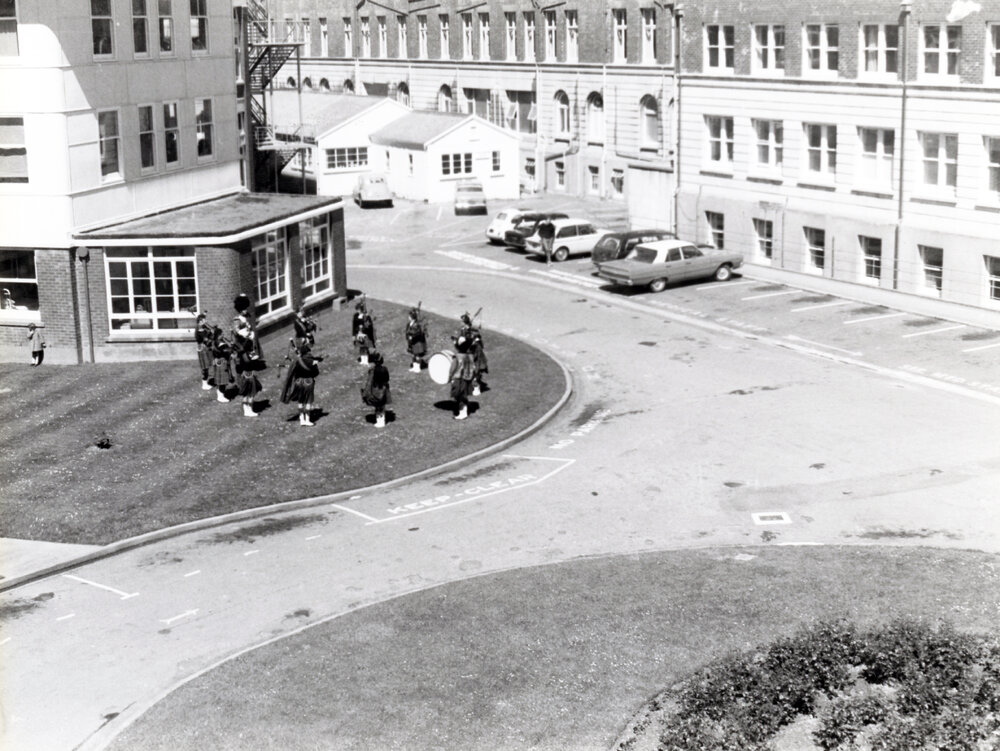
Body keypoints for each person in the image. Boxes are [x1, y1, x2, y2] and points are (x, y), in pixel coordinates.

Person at [280, 341, 320, 427]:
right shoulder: (311, 361)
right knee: (308, 401)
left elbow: (292, 371)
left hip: (298, 382)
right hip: (308, 382)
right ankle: (307, 420)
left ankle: (302, 419)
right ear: (307, 352)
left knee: (301, 401)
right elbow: (316, 373)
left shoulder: (296, 361)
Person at [447, 334, 477, 420]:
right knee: (464, 395)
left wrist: (450, 377)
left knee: (459, 396)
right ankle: (464, 410)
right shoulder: (470, 356)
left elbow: (452, 369)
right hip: (468, 378)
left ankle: (462, 413)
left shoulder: (457, 357)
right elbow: (474, 368)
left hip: (459, 379)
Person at [459, 312, 489, 396]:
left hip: (475, 352)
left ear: (465, 322)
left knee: (476, 370)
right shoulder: (463, 330)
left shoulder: (473, 332)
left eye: (462, 321)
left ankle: (477, 387)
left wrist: (472, 340)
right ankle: (469, 385)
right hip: (467, 352)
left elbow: (478, 341)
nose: (460, 323)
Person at [361, 350, 391, 428]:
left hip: (376, 390)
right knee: (382, 406)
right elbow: (387, 379)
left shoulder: (372, 371)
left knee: (378, 407)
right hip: (384, 390)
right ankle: (383, 421)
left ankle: (379, 422)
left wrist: (365, 393)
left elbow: (369, 382)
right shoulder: (385, 369)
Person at [211, 327, 232, 402]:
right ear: (218, 335)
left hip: (217, 362)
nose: (223, 334)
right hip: (222, 362)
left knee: (219, 380)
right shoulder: (221, 344)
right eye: (221, 334)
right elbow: (228, 351)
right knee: (222, 381)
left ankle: (219, 394)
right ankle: (221, 396)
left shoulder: (215, 342)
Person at [194, 313, 214, 390]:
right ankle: (204, 384)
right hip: (203, 348)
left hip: (203, 348)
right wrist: (211, 334)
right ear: (201, 321)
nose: (206, 321)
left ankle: (205, 382)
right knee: (205, 367)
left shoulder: (201, 327)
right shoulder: (200, 329)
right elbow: (206, 340)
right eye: (204, 320)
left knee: (206, 366)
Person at [405, 306, 428, 372]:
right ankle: (414, 366)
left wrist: (412, 336)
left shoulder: (416, 324)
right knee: (414, 354)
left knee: (417, 355)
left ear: (412, 318)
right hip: (412, 342)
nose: (408, 317)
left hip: (417, 342)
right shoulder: (409, 324)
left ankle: (418, 367)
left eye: (409, 316)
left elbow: (417, 332)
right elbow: (407, 331)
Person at [353, 301, 376, 365]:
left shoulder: (366, 316)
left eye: (358, 310)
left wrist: (364, 326)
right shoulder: (356, 316)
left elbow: (369, 325)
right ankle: (362, 360)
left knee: (365, 348)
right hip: (359, 334)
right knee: (361, 348)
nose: (358, 311)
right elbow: (355, 325)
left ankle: (366, 360)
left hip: (365, 334)